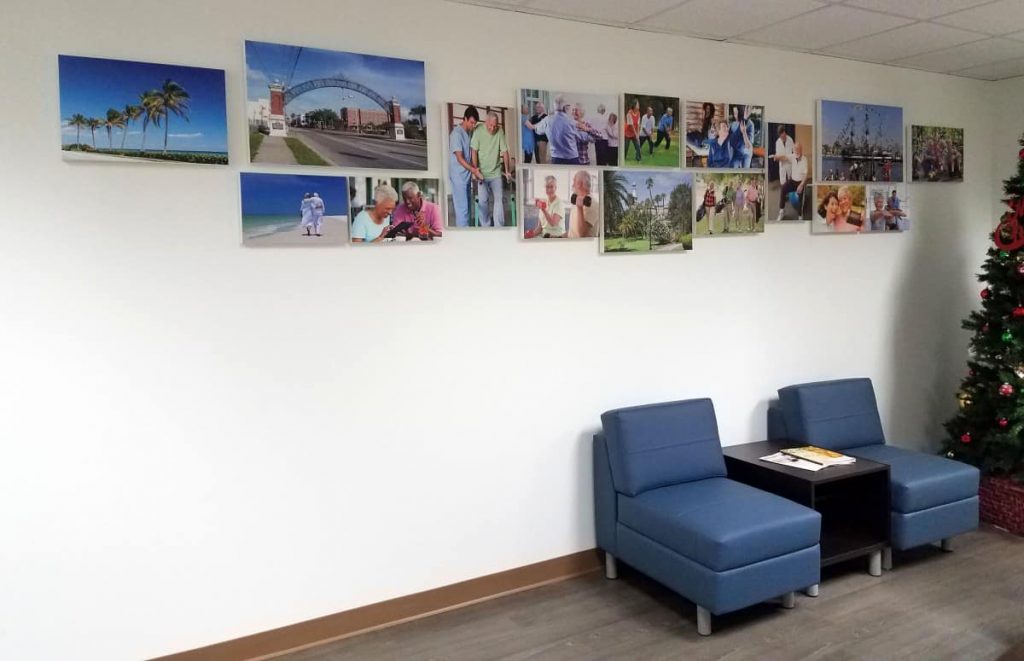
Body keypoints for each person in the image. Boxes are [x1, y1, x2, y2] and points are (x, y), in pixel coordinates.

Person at [471, 110, 512, 226]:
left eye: (495, 126)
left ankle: (499, 227)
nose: (493, 129)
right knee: (483, 202)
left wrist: (508, 171)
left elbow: (504, 152)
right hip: (482, 174)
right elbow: (473, 151)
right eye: (490, 126)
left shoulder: (500, 131)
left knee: (499, 201)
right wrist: (475, 169)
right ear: (485, 122)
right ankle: (486, 226)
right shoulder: (478, 131)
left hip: (496, 174)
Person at [449, 106, 483, 227]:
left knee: (468, 208)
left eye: (475, 123)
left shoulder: (469, 133)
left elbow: (471, 154)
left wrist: (475, 170)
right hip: (458, 177)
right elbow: (460, 158)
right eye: (471, 122)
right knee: (462, 211)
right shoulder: (456, 134)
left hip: (467, 176)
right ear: (465, 119)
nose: (473, 125)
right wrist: (474, 170)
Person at [533, 96, 580, 165]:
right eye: (569, 106)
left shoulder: (547, 120)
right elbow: (583, 137)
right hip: (572, 159)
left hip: (556, 159)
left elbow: (537, 130)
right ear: (565, 107)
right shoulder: (572, 122)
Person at [772, 142, 809, 220]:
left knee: (800, 199)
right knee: (783, 189)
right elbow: (784, 157)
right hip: (792, 181)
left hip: (800, 183)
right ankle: (782, 211)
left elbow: (806, 174)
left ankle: (800, 215)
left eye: (798, 148)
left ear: (801, 149)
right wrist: (776, 157)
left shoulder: (804, 159)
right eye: (795, 149)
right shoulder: (792, 156)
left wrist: (802, 185)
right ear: (793, 150)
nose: (796, 150)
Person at [567, 170, 598, 238]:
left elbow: (582, 235)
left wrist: (579, 208)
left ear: (579, 184)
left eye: (574, 182)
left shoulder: (593, 204)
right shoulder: (576, 202)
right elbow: (572, 232)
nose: (572, 185)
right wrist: (559, 236)